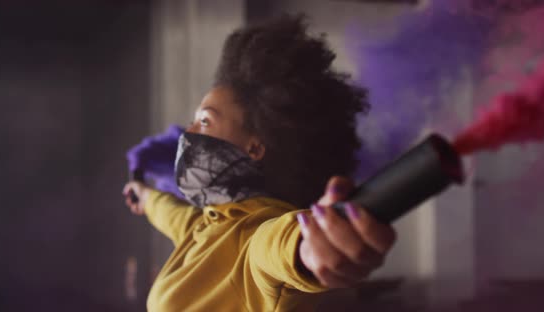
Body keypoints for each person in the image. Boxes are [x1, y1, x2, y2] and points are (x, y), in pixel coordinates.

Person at [122, 14, 396, 312]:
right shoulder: (210, 224)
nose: (188, 134)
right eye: (193, 122)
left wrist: (313, 246)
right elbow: (173, 214)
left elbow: (282, 246)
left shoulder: (256, 231)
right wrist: (144, 195)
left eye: (205, 121)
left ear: (254, 148)